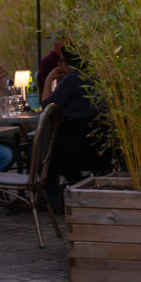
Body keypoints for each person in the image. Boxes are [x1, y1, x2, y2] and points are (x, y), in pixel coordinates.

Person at [40, 46, 109, 210]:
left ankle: (53, 202)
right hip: (99, 150)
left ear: (69, 63)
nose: (60, 66)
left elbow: (46, 109)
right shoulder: (98, 79)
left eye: (62, 62)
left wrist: (49, 79)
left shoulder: (70, 81)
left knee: (40, 155)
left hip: (69, 152)